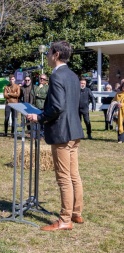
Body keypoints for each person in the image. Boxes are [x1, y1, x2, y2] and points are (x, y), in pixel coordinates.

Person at [26, 40, 84, 231]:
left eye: (49, 52)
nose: (48, 55)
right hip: (74, 130)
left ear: (56, 54)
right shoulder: (74, 76)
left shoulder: (57, 76)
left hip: (61, 132)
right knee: (74, 175)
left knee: (64, 177)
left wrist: (39, 116)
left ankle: (65, 219)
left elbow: (58, 107)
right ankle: (76, 213)